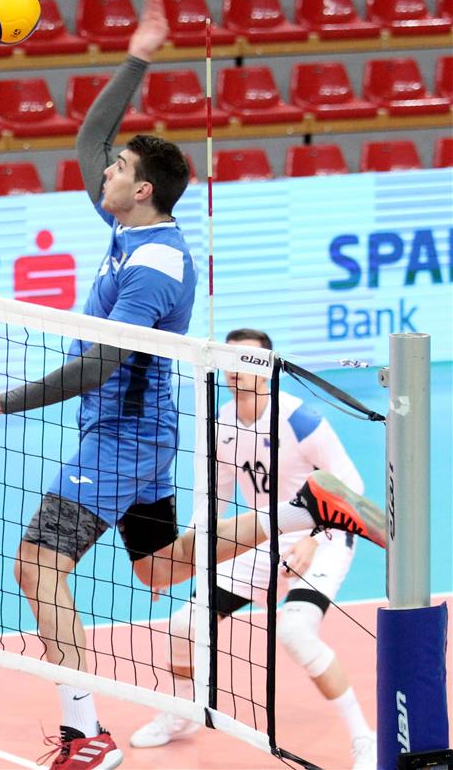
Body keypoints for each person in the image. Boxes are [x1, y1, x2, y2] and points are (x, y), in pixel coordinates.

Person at [0, 0, 387, 769]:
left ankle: (85, 733)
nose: (105, 170)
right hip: (131, 432)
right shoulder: (128, 226)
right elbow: (90, 137)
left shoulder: (154, 264)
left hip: (125, 437)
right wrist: (140, 53)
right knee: (161, 568)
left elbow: (99, 365)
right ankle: (306, 508)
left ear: (142, 188)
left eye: (119, 169)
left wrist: (3, 399)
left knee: (36, 563)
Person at [129, 328, 376, 768]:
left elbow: (351, 487)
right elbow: (212, 501)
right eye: (230, 360)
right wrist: (178, 562)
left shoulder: (300, 420)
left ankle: (364, 738)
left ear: (265, 367)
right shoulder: (221, 424)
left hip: (322, 537)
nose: (235, 369)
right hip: (263, 535)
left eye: (245, 361)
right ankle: (184, 711)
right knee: (184, 624)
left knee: (296, 632)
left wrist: (313, 541)